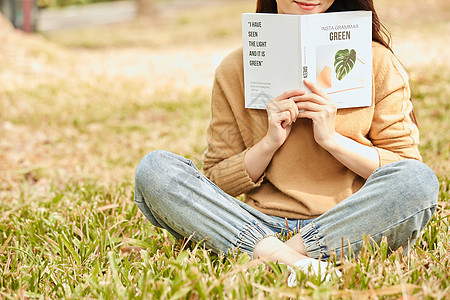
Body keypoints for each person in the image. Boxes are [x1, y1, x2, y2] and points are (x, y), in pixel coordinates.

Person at [134, 0, 439, 279]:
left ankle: (275, 257)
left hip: (347, 221)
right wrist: (269, 142)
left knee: (419, 182)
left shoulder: (378, 61)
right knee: (154, 169)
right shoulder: (233, 69)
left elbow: (405, 169)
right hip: (258, 223)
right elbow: (216, 181)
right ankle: (297, 261)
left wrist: (332, 140)